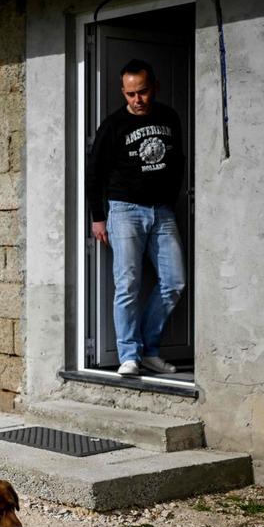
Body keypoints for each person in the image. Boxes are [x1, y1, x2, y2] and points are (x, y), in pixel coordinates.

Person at [86, 59, 186, 377]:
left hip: (162, 211)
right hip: (124, 210)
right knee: (127, 284)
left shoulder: (169, 117)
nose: (136, 100)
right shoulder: (112, 126)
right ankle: (129, 354)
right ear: (123, 92)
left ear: (153, 87)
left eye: (142, 92)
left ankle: (148, 348)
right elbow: (94, 174)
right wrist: (98, 218)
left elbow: (178, 159)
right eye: (130, 94)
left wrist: (169, 199)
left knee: (174, 281)